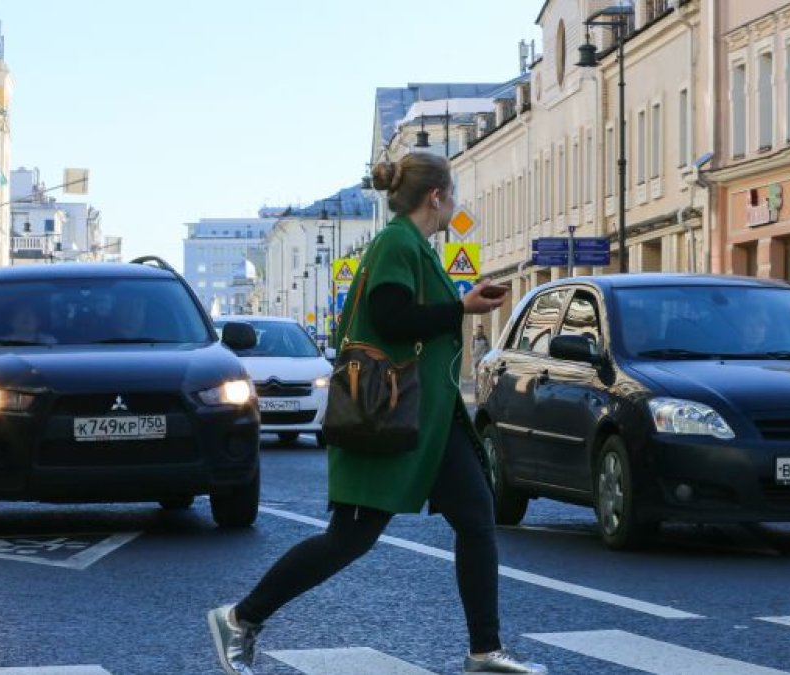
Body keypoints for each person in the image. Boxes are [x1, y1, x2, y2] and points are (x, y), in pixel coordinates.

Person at [208, 153, 547, 675]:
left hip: (431, 418)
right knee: (349, 537)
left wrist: (462, 302)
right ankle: (241, 618)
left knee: (477, 519)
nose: (454, 205)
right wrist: (463, 307)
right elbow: (390, 319)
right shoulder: (396, 242)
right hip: (388, 417)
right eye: (451, 196)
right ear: (435, 197)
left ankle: (485, 650)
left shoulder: (413, 246)